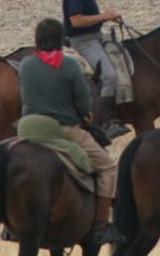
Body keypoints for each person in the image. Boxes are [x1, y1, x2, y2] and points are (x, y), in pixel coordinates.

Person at [17, 17, 121, 246]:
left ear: (37, 40)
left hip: (29, 129)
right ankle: (101, 228)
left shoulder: (26, 64)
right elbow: (84, 103)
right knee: (108, 167)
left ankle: (11, 226)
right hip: (62, 130)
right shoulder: (71, 65)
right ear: (60, 40)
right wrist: (85, 114)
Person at [62, 0, 128, 140]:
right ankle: (106, 123)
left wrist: (106, 18)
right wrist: (105, 17)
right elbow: (76, 21)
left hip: (95, 35)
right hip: (83, 39)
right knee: (109, 75)